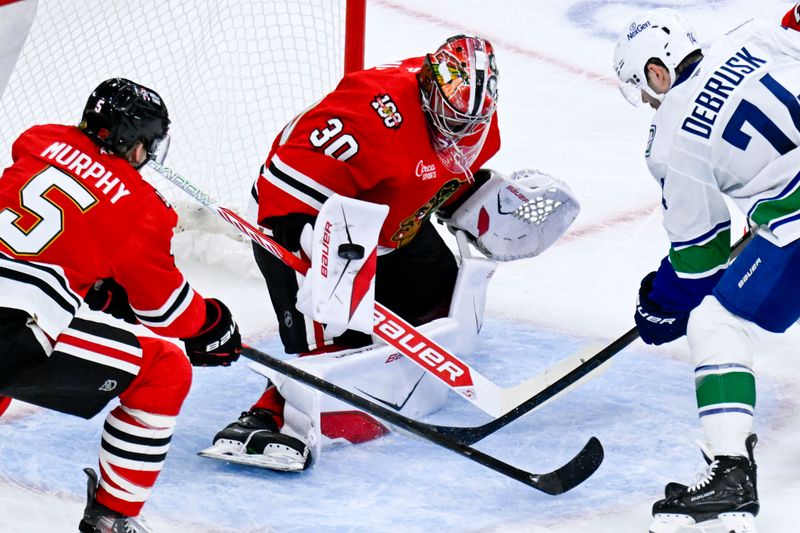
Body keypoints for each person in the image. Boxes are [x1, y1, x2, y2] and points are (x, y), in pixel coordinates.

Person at [202, 35, 580, 472]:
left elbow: (435, 174)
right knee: (335, 348)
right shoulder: (371, 113)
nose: (460, 132)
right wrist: (315, 255)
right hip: (300, 220)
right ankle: (266, 417)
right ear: (428, 86)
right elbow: (282, 186)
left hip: (387, 225)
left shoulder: (478, 120)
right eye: (452, 119)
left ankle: (386, 383)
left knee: (439, 302)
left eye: (470, 123)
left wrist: (478, 202)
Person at [0, 78, 242, 532]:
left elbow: (43, 227)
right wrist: (211, 324)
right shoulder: (141, 207)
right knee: (165, 369)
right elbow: (165, 311)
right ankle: (111, 520)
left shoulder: (39, 140)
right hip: (9, 329)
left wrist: (91, 281)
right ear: (135, 144)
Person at [613, 6, 800, 533]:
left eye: (646, 90)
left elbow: (701, 259)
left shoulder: (671, 137)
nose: (650, 102)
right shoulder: (753, 36)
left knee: (717, 322)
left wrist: (662, 304)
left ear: (657, 71)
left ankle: (732, 475)